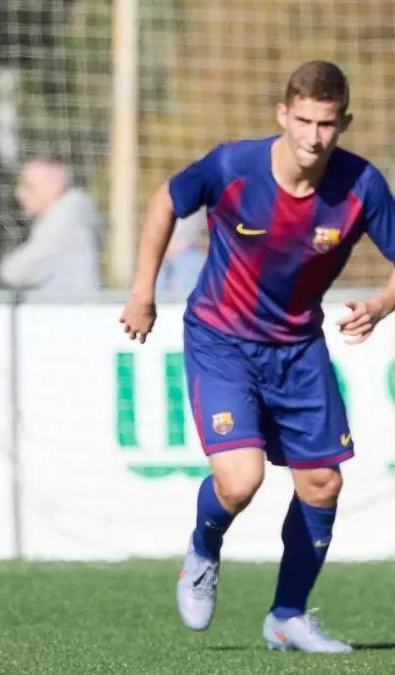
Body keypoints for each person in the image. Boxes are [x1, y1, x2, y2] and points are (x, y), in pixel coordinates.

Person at [119, 60, 395, 653]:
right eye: (302, 120)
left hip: (298, 348)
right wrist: (143, 292)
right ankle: (202, 550)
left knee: (321, 484)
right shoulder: (234, 167)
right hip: (222, 340)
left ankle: (287, 616)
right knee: (239, 480)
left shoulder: (361, 185)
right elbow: (167, 202)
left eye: (326, 123)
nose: (312, 137)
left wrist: (381, 305)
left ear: (343, 121)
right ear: (282, 114)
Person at [0, 157, 103, 294]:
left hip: (69, 312)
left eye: (28, 186)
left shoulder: (64, 219)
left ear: (54, 187)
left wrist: (3, 268)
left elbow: (17, 273)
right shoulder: (71, 214)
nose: (18, 193)